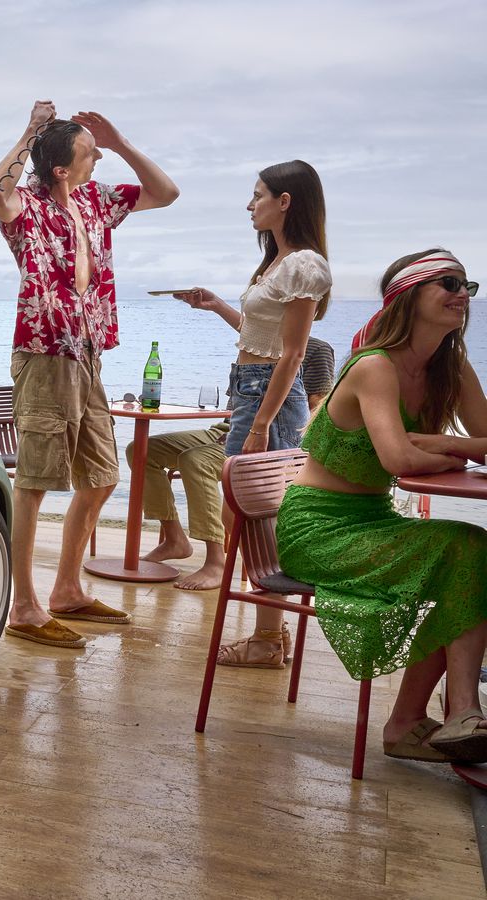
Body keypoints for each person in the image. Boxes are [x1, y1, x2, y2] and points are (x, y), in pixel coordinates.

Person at [277, 249, 487, 762]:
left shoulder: (450, 367)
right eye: (448, 283)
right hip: (318, 529)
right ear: (409, 297)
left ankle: (426, 720)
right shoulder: (374, 366)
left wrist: (439, 443)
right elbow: (397, 457)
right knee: (467, 549)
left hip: (373, 519)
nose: (462, 294)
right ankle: (453, 711)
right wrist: (433, 445)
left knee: (469, 554)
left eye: (467, 285)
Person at [0, 100, 179, 648]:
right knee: (34, 483)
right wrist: (28, 131)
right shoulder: (26, 206)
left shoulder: (98, 201)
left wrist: (118, 141)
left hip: (89, 355)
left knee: (101, 475)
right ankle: (23, 606)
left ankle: (66, 590)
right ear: (60, 170)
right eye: (90, 153)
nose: (98, 158)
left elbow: (165, 193)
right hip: (45, 355)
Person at [174, 161, 330, 666]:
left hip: (269, 396)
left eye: (258, 194)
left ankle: (266, 637)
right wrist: (219, 306)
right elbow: (260, 338)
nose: (250, 204)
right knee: (246, 513)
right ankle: (271, 633)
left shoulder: (303, 265)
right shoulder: (277, 263)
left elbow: (293, 354)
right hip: (251, 388)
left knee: (258, 514)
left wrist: (262, 424)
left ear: (286, 201)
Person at [138, 336, 336, 591]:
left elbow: (316, 407)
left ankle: (215, 562)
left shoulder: (315, 350)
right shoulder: (255, 343)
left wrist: (258, 430)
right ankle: (175, 539)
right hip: (227, 427)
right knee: (144, 449)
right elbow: (237, 404)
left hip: (259, 437)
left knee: (195, 460)